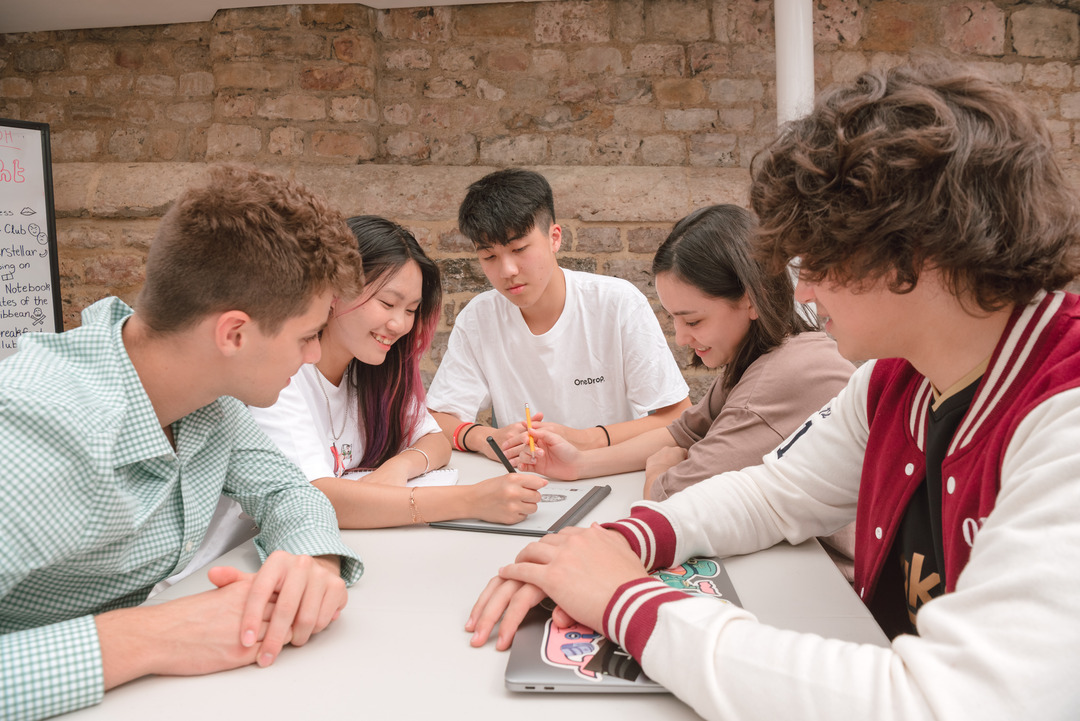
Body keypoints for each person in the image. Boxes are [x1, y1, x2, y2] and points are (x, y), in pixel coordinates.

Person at [466, 62, 1080, 720]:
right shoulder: (895, 378)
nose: (805, 291)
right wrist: (621, 542)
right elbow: (776, 489)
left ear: (911, 257)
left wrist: (625, 599)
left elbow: (948, 702)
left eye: (819, 262)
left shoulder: (1063, 418)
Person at [0, 166, 366, 721]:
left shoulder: (209, 401)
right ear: (234, 334)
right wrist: (152, 636)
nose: (315, 355)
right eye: (307, 334)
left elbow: (289, 493)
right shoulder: (30, 435)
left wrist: (312, 565)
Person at [506, 204, 854, 504]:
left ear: (752, 298)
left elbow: (670, 497)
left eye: (694, 320)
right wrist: (579, 463)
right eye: (675, 319)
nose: (682, 338)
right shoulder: (763, 358)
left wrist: (661, 466)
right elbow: (683, 432)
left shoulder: (778, 379)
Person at [247, 215, 547, 527]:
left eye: (410, 311)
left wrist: (399, 467)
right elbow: (315, 500)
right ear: (334, 292)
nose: (400, 324)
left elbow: (435, 440)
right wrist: (471, 501)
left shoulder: (370, 373)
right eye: (388, 303)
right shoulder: (282, 378)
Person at [425, 168, 692, 463]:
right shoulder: (479, 318)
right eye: (489, 257)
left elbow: (677, 416)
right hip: (526, 483)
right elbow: (438, 418)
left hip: (612, 475)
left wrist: (587, 439)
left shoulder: (616, 303)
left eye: (519, 249)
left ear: (554, 238)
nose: (507, 270)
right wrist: (485, 438)